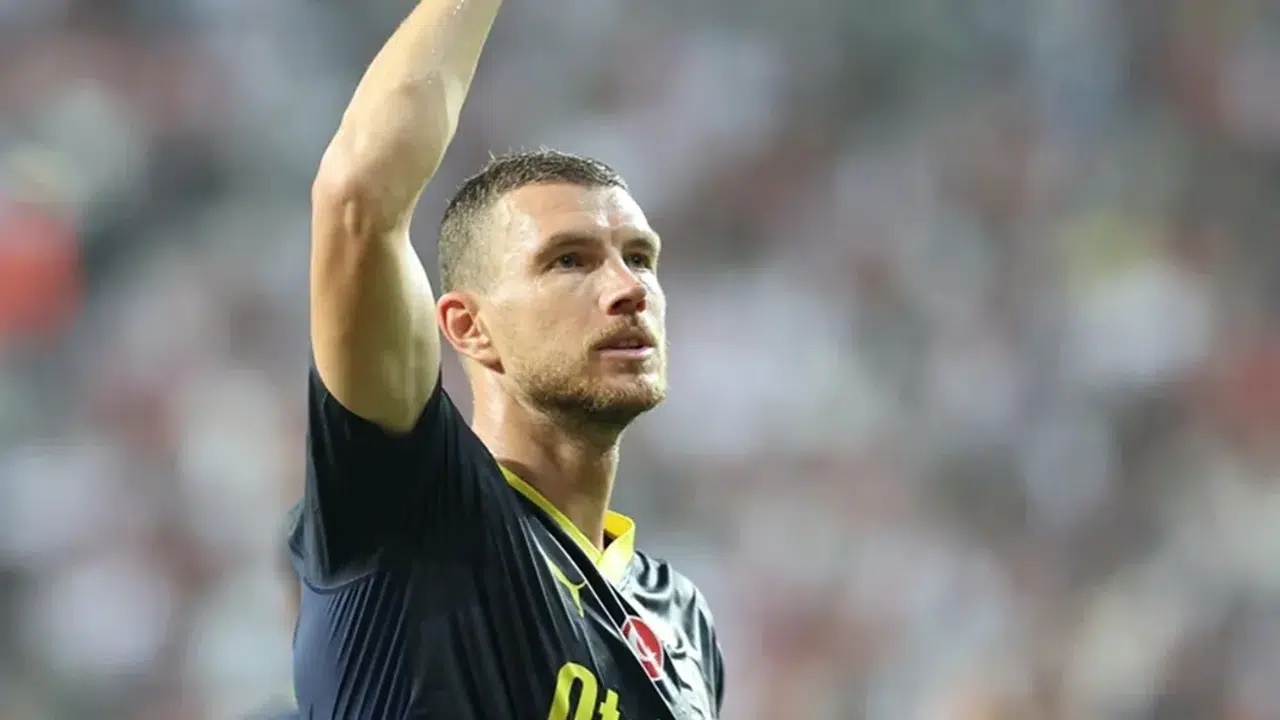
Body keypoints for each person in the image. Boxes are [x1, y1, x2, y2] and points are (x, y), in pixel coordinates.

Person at [289, 0, 725, 717]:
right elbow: (358, 194)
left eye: (640, 258)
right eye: (569, 261)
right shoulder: (412, 500)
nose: (628, 289)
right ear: (469, 327)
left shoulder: (682, 620)